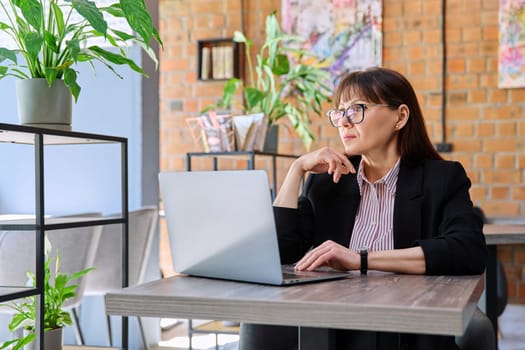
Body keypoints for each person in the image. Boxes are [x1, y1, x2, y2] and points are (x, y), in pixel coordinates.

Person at [239, 67, 488, 350]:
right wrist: (296, 169)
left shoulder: (441, 178)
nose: (344, 122)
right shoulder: (328, 183)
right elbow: (280, 251)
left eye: (357, 109)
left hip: (407, 333)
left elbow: (468, 250)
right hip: (334, 328)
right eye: (339, 112)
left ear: (400, 116)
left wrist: (361, 259)